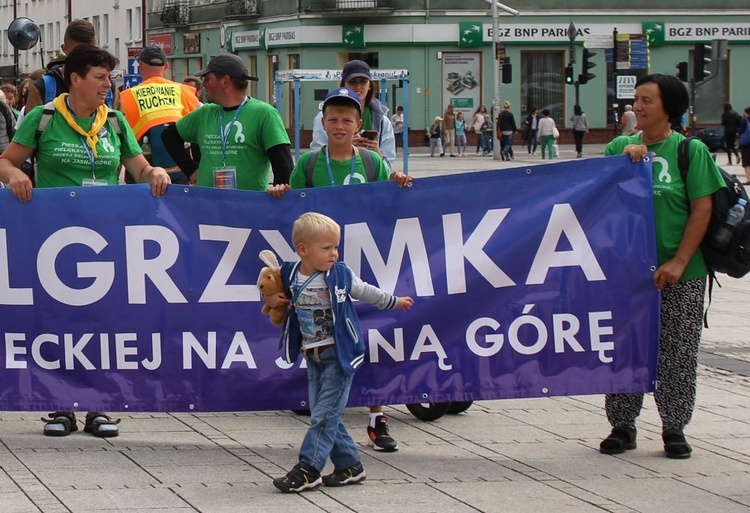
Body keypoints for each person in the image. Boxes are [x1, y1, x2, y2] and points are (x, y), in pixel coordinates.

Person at [600, 73, 724, 460]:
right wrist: (626, 161)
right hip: (628, 272)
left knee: (677, 351)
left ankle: (674, 427)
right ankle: (622, 425)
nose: (636, 107)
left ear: (668, 108)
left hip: (682, 274)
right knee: (625, 347)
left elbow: (701, 208)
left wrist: (679, 260)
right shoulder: (619, 146)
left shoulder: (690, 151)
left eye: (646, 101)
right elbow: (597, 195)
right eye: (636, 100)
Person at [267, 212, 414, 492]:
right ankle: (349, 466)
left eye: (336, 247)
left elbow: (366, 291)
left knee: (323, 415)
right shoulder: (290, 273)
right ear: (303, 250)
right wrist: (272, 297)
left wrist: (394, 302)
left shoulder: (341, 274)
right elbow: (270, 287)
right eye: (326, 248)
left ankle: (308, 469)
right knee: (326, 414)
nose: (334, 253)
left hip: (340, 355)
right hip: (313, 355)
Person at [0, 45, 170, 198]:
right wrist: (14, 174)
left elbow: (141, 171)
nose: (108, 84)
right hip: (55, 225)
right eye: (100, 77)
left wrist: (156, 172)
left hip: (104, 222)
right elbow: (4, 162)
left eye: (109, 77)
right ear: (75, 79)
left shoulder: (115, 120)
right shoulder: (43, 117)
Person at [161, 53, 293, 189]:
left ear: (225, 81)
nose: (204, 84)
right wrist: (191, 170)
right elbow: (169, 135)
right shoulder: (204, 113)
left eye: (207, 78)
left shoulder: (265, 114)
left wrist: (279, 194)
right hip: (208, 204)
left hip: (250, 205)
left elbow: (283, 164)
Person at [267, 87, 411, 194]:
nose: (339, 127)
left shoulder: (372, 161)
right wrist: (281, 193)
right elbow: (294, 207)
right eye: (333, 120)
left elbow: (386, 202)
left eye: (347, 121)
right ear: (323, 123)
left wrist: (399, 183)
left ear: (358, 125)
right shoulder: (307, 163)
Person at [119, 45, 200, 184]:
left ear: (140, 66)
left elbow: (119, 138)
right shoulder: (186, 92)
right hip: (180, 171)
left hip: (143, 171)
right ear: (166, 66)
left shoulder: (125, 97)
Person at [311, 60, 395, 170]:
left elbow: (387, 169)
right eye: (352, 82)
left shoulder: (382, 121)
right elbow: (316, 161)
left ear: (370, 85)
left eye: (363, 82)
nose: (358, 87)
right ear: (343, 85)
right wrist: (344, 147)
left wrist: (377, 154)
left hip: (367, 183)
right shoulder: (324, 117)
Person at [25, 20, 120, 114]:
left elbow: (119, 127)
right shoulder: (43, 88)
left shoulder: (109, 90)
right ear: (64, 49)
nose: (85, 58)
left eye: (92, 51)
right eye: (79, 53)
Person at [740, 107, 750, 184]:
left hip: (746, 143)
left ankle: (749, 179)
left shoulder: (744, 121)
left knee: (746, 162)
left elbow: (740, 130)